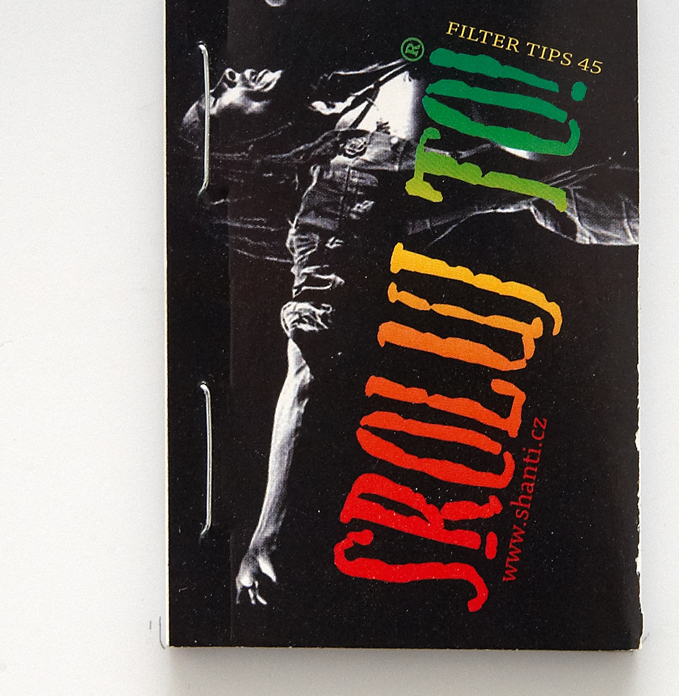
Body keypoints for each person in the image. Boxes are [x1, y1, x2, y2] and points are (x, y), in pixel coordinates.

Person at [180, 59, 639, 606]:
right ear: (244, 146)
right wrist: (267, 532)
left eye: (222, 74)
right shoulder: (328, 212)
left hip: (609, 126)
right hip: (609, 174)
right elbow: (306, 370)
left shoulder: (339, 85)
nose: (232, 73)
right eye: (218, 93)